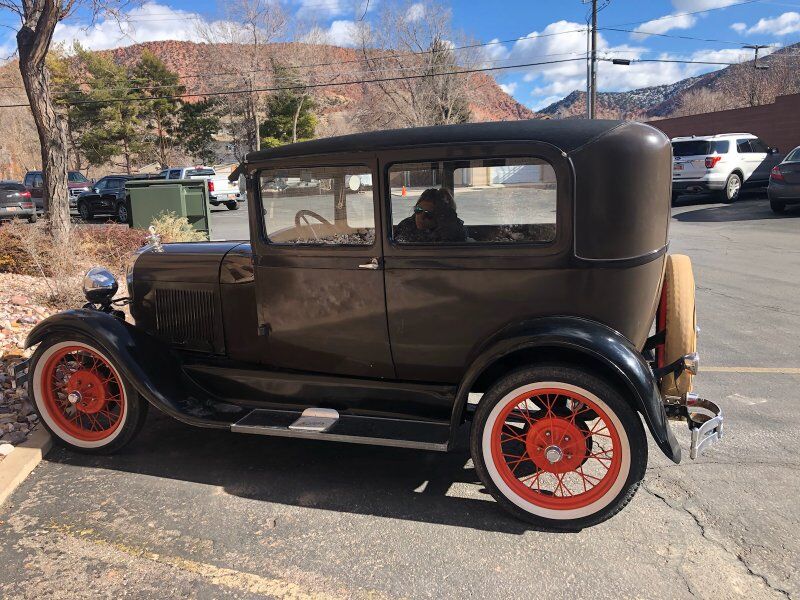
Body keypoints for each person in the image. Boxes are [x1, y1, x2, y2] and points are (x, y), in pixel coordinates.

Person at [394, 187, 467, 243]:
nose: (421, 217)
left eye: (428, 214)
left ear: (441, 217)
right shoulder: (406, 225)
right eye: (418, 210)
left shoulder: (450, 230)